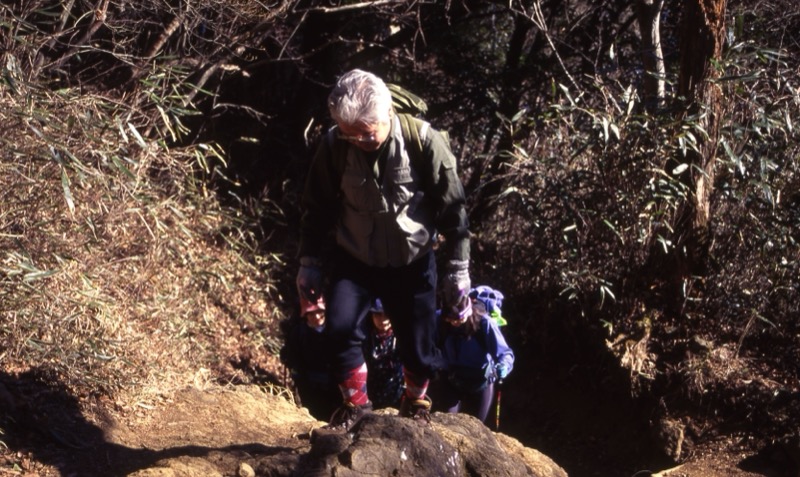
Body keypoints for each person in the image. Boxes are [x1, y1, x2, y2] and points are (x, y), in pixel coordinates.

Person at [296, 68, 471, 432]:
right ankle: (356, 407)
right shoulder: (334, 145)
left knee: (420, 346)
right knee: (340, 329)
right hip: (355, 257)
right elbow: (316, 208)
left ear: (388, 112)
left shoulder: (423, 141)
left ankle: (415, 403)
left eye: (366, 133)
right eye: (349, 133)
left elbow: (453, 210)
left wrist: (458, 269)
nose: (357, 140)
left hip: (413, 260)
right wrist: (309, 265)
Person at [436, 285, 514, 424]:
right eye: (450, 319)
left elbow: (504, 353)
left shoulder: (484, 323)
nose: (454, 323)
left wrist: (504, 365)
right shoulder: (439, 319)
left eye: (459, 318)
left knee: (475, 427)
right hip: (452, 378)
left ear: (467, 311)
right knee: (446, 423)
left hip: (481, 381)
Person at [279, 296, 340, 421]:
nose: (316, 317)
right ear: (305, 314)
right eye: (311, 313)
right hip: (309, 385)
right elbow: (294, 359)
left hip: (334, 385)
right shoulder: (299, 333)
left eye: (320, 311)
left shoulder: (336, 329)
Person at [363, 298, 405, 409]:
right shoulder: (364, 337)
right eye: (377, 315)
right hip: (372, 391)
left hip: (397, 391)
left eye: (387, 315)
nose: (383, 320)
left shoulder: (402, 336)